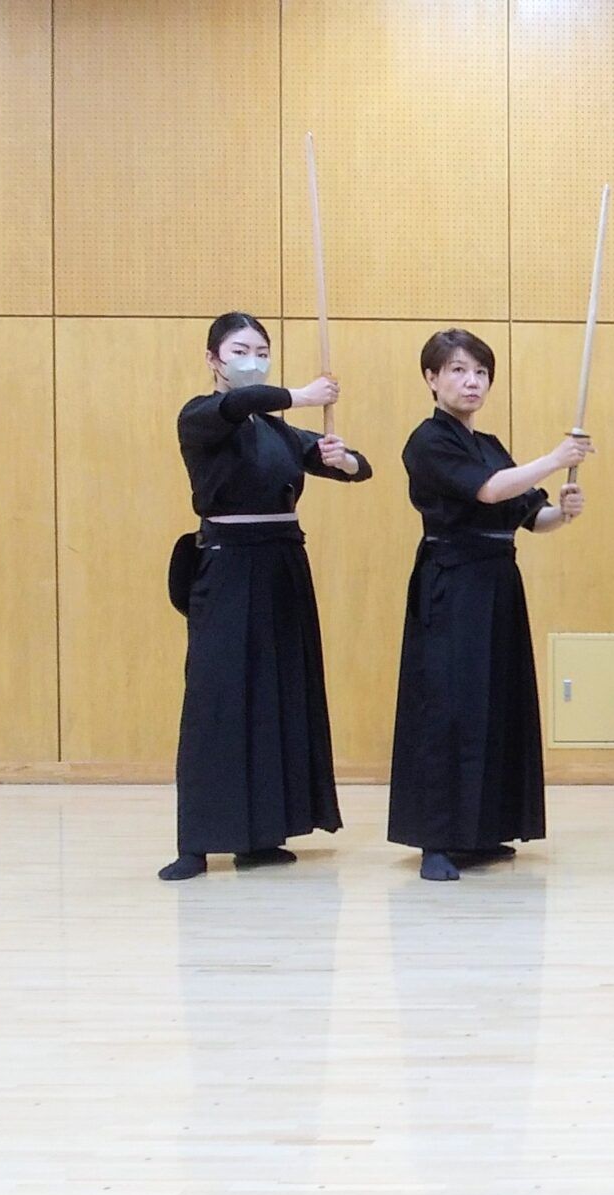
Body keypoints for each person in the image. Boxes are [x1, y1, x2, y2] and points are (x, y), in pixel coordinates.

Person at [163, 312, 370, 881]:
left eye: (261, 349)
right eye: (239, 350)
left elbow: (359, 470)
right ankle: (197, 842)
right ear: (213, 359)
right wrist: (302, 395)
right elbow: (240, 403)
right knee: (217, 697)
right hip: (228, 567)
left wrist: (344, 459)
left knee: (279, 693)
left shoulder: (278, 432)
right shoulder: (201, 416)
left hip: (282, 565)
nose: (252, 359)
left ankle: (262, 836)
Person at [388, 328, 589, 882]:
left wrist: (564, 511)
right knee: (447, 708)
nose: (471, 381)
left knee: (496, 704)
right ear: (432, 379)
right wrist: (555, 458)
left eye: (480, 372)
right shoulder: (427, 442)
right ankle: (436, 840)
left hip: (498, 585)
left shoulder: (492, 445)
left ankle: (483, 830)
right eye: (457, 370)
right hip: (452, 584)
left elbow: (531, 516)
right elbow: (489, 491)